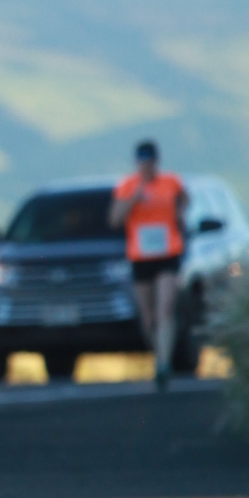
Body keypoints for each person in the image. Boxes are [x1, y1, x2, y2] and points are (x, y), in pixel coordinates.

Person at [110, 137, 190, 388]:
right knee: (148, 316)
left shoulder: (171, 182)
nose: (147, 166)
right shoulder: (127, 186)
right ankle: (159, 354)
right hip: (141, 256)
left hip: (168, 253)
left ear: (157, 161)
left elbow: (184, 200)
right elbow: (115, 219)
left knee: (165, 307)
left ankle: (164, 363)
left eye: (150, 161)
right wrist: (136, 196)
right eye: (142, 162)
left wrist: (180, 215)